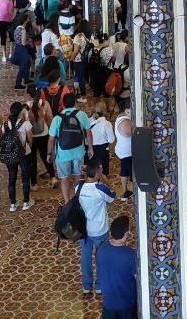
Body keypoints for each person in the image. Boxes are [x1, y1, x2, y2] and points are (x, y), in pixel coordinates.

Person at [77, 159, 116, 295]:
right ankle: (99, 285)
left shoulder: (78, 187)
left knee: (86, 257)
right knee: (101, 257)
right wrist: (105, 180)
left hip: (83, 230)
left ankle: (86, 286)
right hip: (99, 230)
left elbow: (82, 180)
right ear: (97, 173)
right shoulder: (100, 189)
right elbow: (113, 196)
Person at [48, 93, 93, 200]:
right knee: (78, 176)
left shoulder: (57, 118)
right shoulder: (82, 115)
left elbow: (51, 139)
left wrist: (49, 153)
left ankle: (67, 203)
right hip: (78, 152)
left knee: (64, 178)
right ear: (75, 103)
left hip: (63, 154)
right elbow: (88, 132)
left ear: (62, 104)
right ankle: (78, 199)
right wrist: (90, 147)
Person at [95, 214, 138, 319]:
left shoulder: (100, 249)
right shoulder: (131, 255)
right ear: (126, 234)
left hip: (108, 302)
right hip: (126, 303)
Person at [0, 101, 34, 212]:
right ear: (21, 111)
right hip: (24, 153)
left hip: (10, 154)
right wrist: (27, 147)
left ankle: (13, 204)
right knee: (25, 178)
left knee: (12, 178)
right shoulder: (26, 124)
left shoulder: (5, 124)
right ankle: (25, 202)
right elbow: (30, 139)